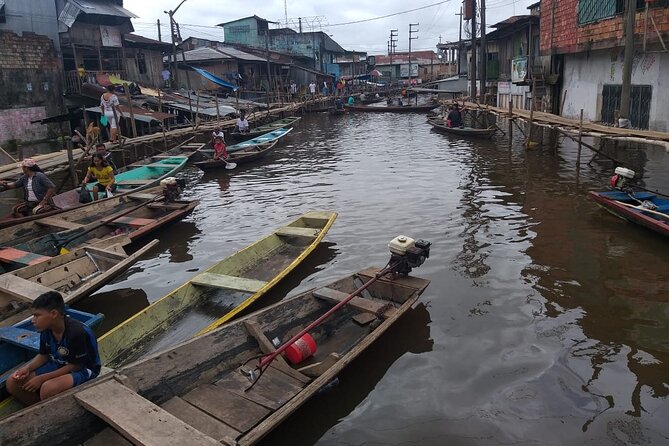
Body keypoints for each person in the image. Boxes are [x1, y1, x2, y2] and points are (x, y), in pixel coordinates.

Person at [6, 291, 101, 406]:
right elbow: (43, 355)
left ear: (54, 314)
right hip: (58, 363)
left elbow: (76, 365)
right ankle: (39, 409)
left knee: (47, 389)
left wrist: (42, 378)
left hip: (84, 368)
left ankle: (48, 405)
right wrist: (27, 368)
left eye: (37, 315)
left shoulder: (75, 332)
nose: (33, 320)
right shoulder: (46, 329)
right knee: (12, 383)